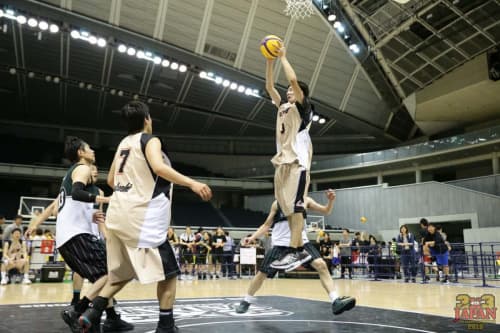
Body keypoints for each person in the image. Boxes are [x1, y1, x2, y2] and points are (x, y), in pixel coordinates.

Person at [78, 101, 212, 333]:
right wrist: (192, 182)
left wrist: (131, 185)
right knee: (169, 274)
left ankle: (91, 312)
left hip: (117, 216)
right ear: (147, 119)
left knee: (122, 274)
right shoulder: (150, 140)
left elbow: (110, 181)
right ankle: (166, 326)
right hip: (141, 219)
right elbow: (159, 168)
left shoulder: (123, 143)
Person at [50, 136, 132, 333]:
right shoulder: (83, 168)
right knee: (112, 273)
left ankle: (98, 318)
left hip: (67, 238)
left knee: (102, 277)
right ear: (80, 152)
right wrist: (107, 198)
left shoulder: (70, 173)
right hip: (76, 236)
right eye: (89, 148)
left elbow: (67, 203)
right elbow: (77, 193)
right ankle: (78, 311)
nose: (93, 151)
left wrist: (89, 213)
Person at [235, 189, 355, 315]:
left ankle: (335, 300)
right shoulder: (277, 204)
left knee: (322, 265)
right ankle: (246, 301)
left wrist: (330, 201)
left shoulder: (305, 200)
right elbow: (266, 225)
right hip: (281, 245)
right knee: (261, 275)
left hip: (302, 242)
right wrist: (252, 237)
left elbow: (326, 211)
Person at [265, 46, 314, 272]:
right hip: (282, 165)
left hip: (297, 164)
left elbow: (293, 79)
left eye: (292, 91)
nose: (288, 93)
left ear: (300, 94)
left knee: (296, 209)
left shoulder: (303, 109)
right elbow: (269, 87)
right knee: (289, 211)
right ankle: (296, 250)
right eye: (287, 92)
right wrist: (269, 61)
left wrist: (283, 56)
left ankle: (296, 252)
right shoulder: (282, 107)